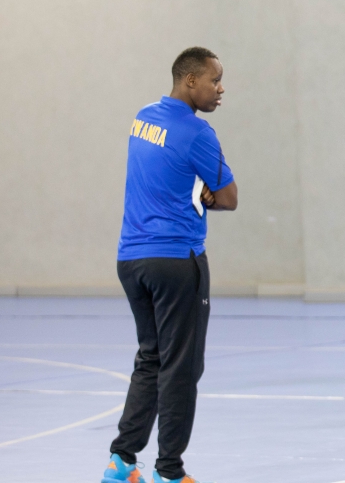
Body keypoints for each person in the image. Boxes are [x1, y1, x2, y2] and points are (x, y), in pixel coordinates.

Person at [102, 47, 237, 483]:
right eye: (214, 80)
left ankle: (121, 462)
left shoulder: (143, 117)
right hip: (176, 260)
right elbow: (230, 197)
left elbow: (163, 175)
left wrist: (196, 193)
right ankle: (170, 472)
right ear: (190, 80)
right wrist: (207, 198)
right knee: (182, 367)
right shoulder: (199, 133)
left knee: (151, 358)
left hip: (132, 259)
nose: (221, 89)